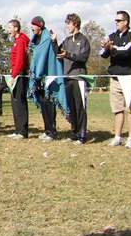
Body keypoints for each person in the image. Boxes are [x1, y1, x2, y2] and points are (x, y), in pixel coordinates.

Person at [100, 10, 131, 148]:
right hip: (115, 78)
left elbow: (127, 52)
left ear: (126, 22)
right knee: (117, 109)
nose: (116, 23)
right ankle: (117, 137)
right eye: (115, 20)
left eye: (118, 20)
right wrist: (106, 46)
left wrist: (112, 48)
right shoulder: (112, 36)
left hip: (130, 78)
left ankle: (130, 138)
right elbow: (103, 54)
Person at [28, 16, 66, 140]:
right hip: (38, 78)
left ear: (40, 25)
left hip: (48, 76)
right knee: (43, 105)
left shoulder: (47, 38)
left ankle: (52, 132)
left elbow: (54, 53)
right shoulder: (35, 40)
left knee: (49, 104)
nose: (32, 27)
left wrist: (55, 41)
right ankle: (47, 130)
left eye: (34, 25)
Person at [57, 13, 90, 144]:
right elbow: (58, 52)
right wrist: (54, 41)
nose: (67, 26)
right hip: (67, 78)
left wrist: (68, 55)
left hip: (78, 78)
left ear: (75, 24)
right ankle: (74, 133)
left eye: (69, 24)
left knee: (80, 107)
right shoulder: (66, 40)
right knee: (71, 108)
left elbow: (83, 58)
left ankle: (82, 135)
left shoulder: (83, 40)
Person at [6, 19, 30, 140]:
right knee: (14, 102)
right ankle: (17, 129)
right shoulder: (16, 41)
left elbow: (20, 60)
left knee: (19, 102)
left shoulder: (21, 41)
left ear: (16, 28)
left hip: (20, 75)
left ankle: (22, 131)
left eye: (10, 28)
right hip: (16, 74)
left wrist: (14, 75)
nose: (8, 30)